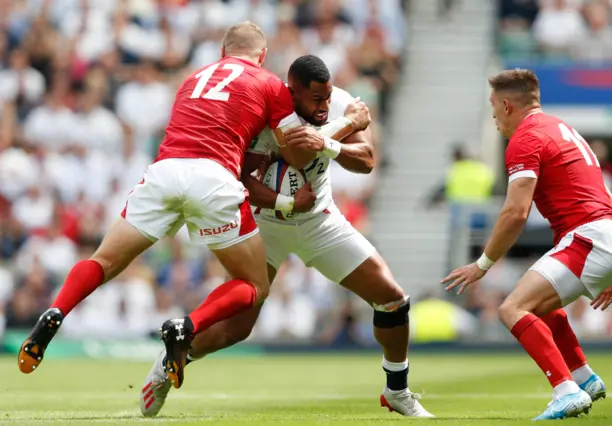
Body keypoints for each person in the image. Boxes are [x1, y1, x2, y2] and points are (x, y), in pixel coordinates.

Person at [140, 55, 435, 419]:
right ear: (291, 93)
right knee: (237, 329)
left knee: (391, 299)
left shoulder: (341, 103)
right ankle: (169, 361)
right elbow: (242, 180)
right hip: (267, 224)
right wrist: (286, 201)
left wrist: (331, 144)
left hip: (319, 219)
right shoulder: (264, 111)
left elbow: (367, 160)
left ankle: (397, 390)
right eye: (316, 100)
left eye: (327, 98)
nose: (325, 107)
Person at [18, 22, 306, 391]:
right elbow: (293, 146)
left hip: (164, 171)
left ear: (222, 51)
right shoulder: (268, 82)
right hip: (214, 177)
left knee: (103, 261)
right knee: (253, 284)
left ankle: (57, 309)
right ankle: (187, 326)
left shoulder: (192, 79)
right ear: (262, 55)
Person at [442, 69, 612, 420]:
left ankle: (565, 390)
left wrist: (481, 265)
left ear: (507, 105)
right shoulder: (564, 129)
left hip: (588, 238)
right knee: (539, 305)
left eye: (494, 106)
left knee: (512, 309)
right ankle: (583, 378)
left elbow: (516, 212)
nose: (494, 115)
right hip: (608, 234)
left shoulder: (525, 139)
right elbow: (607, 196)